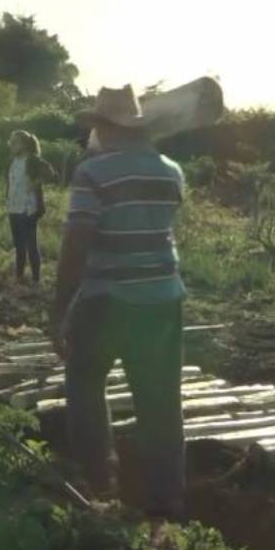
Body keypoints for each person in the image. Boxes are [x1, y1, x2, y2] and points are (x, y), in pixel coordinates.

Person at [51, 84, 187, 521]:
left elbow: (76, 245)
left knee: (85, 382)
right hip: (163, 299)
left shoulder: (94, 173)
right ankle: (165, 504)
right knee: (161, 402)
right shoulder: (170, 171)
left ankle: (100, 485)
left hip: (107, 299)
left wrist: (58, 310)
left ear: (105, 129)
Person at [5, 130, 56, 284]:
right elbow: (8, 181)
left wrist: (36, 182)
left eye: (15, 143)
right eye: (11, 142)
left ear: (24, 145)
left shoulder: (32, 160)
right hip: (13, 207)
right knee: (18, 245)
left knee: (30, 244)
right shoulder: (11, 161)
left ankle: (36, 280)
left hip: (28, 208)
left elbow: (51, 174)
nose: (11, 145)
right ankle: (19, 276)